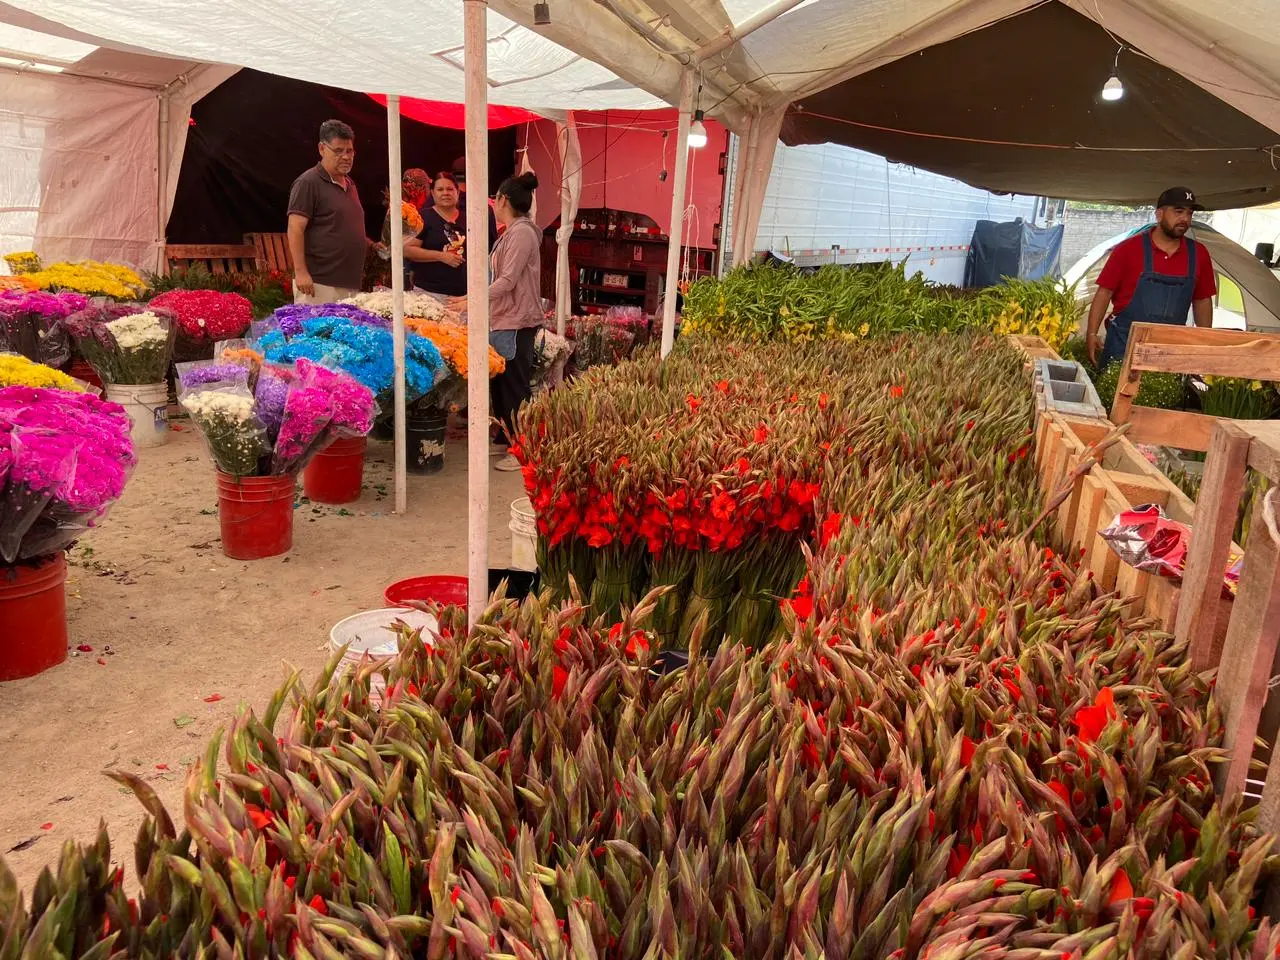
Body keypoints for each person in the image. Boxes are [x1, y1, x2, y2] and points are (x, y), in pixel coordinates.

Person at [1086, 187, 1216, 370]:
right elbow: (1104, 292)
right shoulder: (1128, 249)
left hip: (1170, 351)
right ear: (1159, 214)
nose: (1185, 219)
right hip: (1123, 346)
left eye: (1189, 213)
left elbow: (1202, 300)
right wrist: (1091, 334)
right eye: (1178, 211)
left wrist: (1206, 342)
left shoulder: (1199, 254)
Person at [488, 172, 543, 473]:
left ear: (503, 200)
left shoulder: (521, 233)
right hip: (504, 317)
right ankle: (505, 437)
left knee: (514, 386)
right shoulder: (511, 232)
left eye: (495, 198)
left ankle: (521, 447)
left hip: (517, 319)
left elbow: (507, 280)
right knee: (501, 383)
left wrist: (474, 297)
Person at [287, 120, 368, 303]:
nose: (346, 157)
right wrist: (301, 273)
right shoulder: (308, 182)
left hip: (349, 283)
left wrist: (371, 244)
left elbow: (341, 224)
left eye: (349, 151)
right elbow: (295, 228)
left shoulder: (350, 184)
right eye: (339, 151)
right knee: (317, 332)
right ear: (322, 149)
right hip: (318, 284)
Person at [404, 172, 497, 303]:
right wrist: (441, 256)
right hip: (430, 295)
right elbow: (407, 249)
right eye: (440, 189)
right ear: (432, 192)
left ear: (458, 192)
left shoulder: (469, 218)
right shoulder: (423, 217)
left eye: (450, 189)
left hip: (465, 297)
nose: (445, 193)